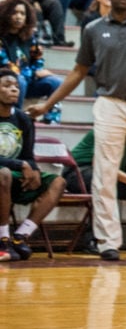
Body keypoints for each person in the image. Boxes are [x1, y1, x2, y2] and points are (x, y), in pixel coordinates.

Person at [27, 0, 126, 261]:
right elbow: (78, 72)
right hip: (109, 104)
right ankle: (108, 242)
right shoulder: (93, 29)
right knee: (104, 175)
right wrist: (47, 105)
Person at [0, 68, 66, 261]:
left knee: (58, 182)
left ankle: (20, 237)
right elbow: (22, 162)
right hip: (5, 174)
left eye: (16, 86)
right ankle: (3, 239)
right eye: (7, 85)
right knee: (4, 173)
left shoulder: (23, 119)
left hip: (13, 176)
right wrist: (21, 164)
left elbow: (28, 155)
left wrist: (34, 170)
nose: (14, 89)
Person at [0, 0, 62, 108]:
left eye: (22, 14)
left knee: (56, 82)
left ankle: (51, 117)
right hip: (6, 82)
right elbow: (6, 67)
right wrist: (34, 73)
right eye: (14, 13)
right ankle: (15, 115)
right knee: (18, 81)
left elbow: (37, 60)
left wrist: (38, 70)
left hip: (26, 79)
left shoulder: (29, 37)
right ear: (6, 13)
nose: (18, 17)